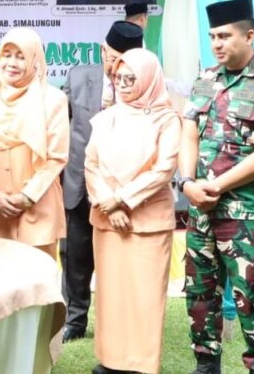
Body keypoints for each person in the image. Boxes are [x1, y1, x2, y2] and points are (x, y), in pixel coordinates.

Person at [179, 0, 254, 374]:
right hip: (200, 210)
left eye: (225, 36)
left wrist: (214, 187)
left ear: (249, 35)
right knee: (199, 294)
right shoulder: (204, 79)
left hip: (246, 217)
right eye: (213, 36)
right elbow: (188, 135)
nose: (217, 43)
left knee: (253, 297)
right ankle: (206, 364)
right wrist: (187, 183)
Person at [85, 48, 181, 374]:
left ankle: (141, 365)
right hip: (108, 221)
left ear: (149, 79)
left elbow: (163, 169)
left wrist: (121, 199)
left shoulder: (167, 119)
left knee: (145, 297)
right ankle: (111, 361)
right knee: (111, 294)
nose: (123, 84)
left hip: (148, 222)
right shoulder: (106, 117)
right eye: (118, 77)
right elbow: (91, 165)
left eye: (131, 78)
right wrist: (108, 204)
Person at [60, 20, 143, 344]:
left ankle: (116, 322)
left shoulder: (145, 85)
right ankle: (74, 319)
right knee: (75, 255)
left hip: (121, 191)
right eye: (111, 57)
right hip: (79, 183)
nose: (116, 66)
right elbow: (62, 125)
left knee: (118, 260)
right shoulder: (78, 77)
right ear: (102, 50)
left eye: (124, 60)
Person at [0, 27, 69, 260]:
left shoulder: (53, 100)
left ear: (35, 61)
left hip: (38, 208)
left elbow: (56, 157)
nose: (11, 63)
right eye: (7, 55)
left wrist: (26, 197)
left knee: (37, 277)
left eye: (21, 56)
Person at [100, 21, 144, 109]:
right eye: (114, 60)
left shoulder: (146, 89)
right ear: (103, 51)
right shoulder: (77, 81)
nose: (118, 70)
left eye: (126, 64)